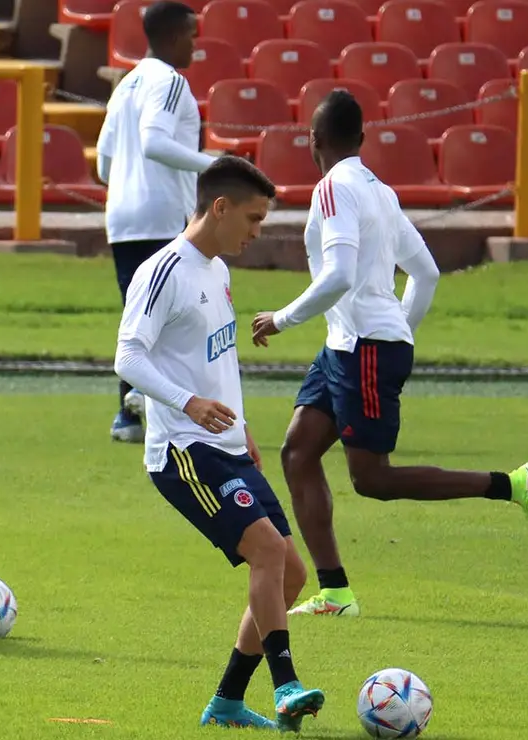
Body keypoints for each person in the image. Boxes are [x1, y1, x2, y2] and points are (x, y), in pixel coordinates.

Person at [250, 90, 528, 619]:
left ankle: (513, 484)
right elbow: (426, 272)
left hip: (364, 350)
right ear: (362, 139)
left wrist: (281, 319)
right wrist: (399, 327)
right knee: (298, 453)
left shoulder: (333, 188)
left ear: (313, 141)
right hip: (348, 346)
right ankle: (336, 592)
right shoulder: (381, 191)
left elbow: (340, 274)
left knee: (372, 479)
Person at [114, 156, 326, 732]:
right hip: (183, 450)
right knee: (265, 551)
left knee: (291, 574)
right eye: (254, 219)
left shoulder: (217, 269)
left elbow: (216, 357)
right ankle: (286, 687)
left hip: (225, 443)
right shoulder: (164, 271)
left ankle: (228, 702)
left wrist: (242, 427)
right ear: (220, 207)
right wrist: (189, 405)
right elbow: (128, 357)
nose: (258, 232)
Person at [96, 0, 218, 444]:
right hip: (164, 213)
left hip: (122, 217)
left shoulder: (125, 85)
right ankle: (163, 408)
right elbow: (154, 143)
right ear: (170, 37)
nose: (195, 43)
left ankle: (128, 416)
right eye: (191, 34)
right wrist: (214, 166)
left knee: (140, 317)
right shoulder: (169, 81)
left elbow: (104, 168)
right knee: (176, 318)